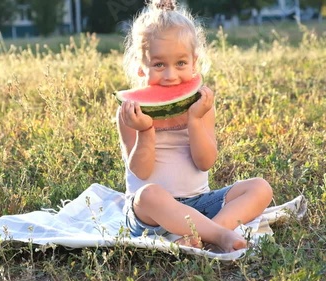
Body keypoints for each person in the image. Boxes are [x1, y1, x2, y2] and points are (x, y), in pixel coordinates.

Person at [116, 0, 273, 253]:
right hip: (149, 217)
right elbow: (140, 172)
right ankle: (219, 233)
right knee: (148, 194)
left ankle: (207, 233)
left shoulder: (201, 106)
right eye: (158, 65)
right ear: (141, 68)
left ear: (194, 62)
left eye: (180, 63)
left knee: (260, 188)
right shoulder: (130, 111)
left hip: (198, 203)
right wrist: (146, 130)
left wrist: (195, 121)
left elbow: (205, 162)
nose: (170, 75)